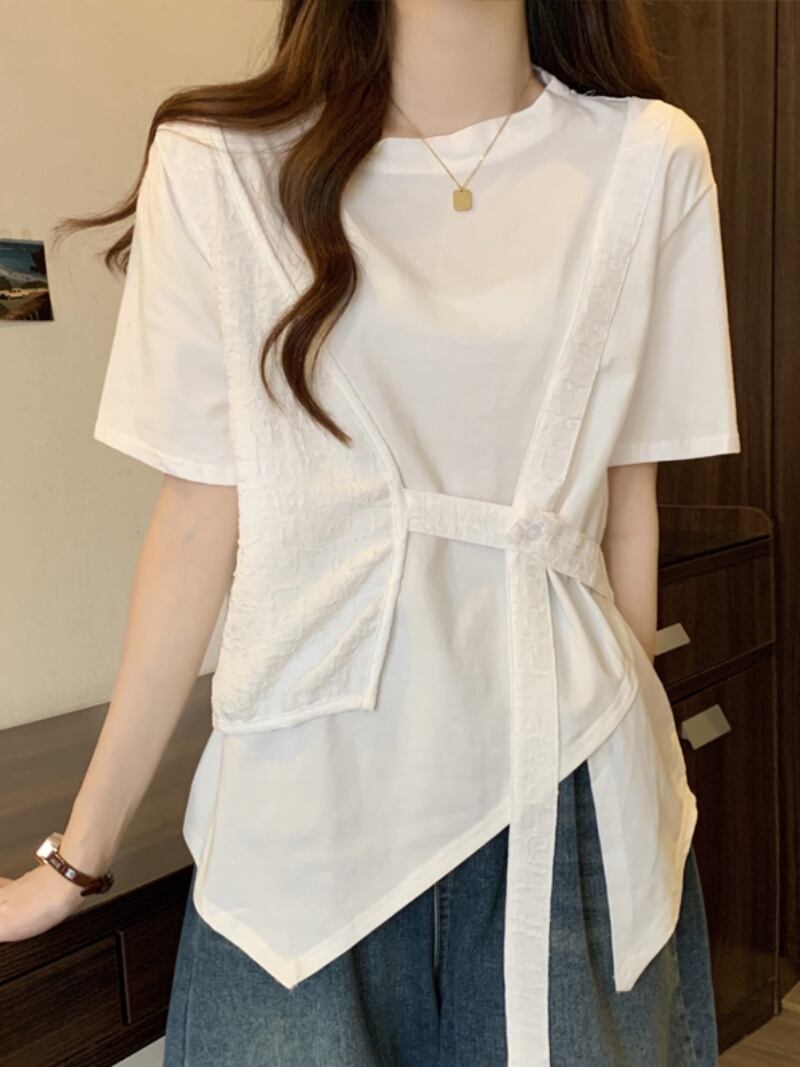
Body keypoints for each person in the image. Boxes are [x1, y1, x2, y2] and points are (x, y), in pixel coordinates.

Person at [1, 1, 740, 1064]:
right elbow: (200, 520)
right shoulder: (217, 167)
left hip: (564, 783)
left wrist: (638, 775)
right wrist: (77, 855)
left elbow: (628, 509)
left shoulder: (648, 158)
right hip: (301, 814)